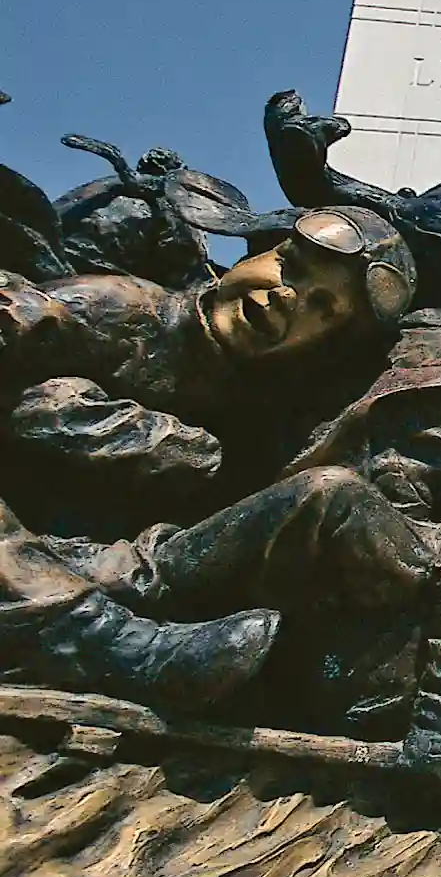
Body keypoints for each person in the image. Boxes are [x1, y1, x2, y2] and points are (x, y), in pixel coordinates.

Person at [0, 207, 418, 707]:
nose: (287, 295)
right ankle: (103, 641)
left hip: (117, 562)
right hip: (29, 558)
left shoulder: (264, 403)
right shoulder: (117, 308)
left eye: (322, 306)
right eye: (292, 267)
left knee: (328, 498)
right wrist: (146, 436)